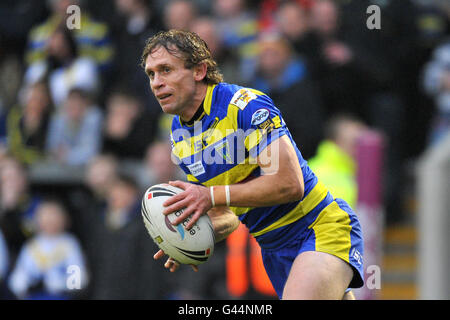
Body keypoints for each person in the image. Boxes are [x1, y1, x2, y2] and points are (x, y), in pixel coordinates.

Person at [141, 30, 364, 299]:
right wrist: (190, 239)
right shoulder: (179, 135)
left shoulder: (245, 106)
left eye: (166, 70)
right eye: (151, 74)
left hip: (316, 228)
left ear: (199, 70)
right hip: (274, 251)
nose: (157, 82)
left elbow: (289, 184)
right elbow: (227, 212)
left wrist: (210, 195)